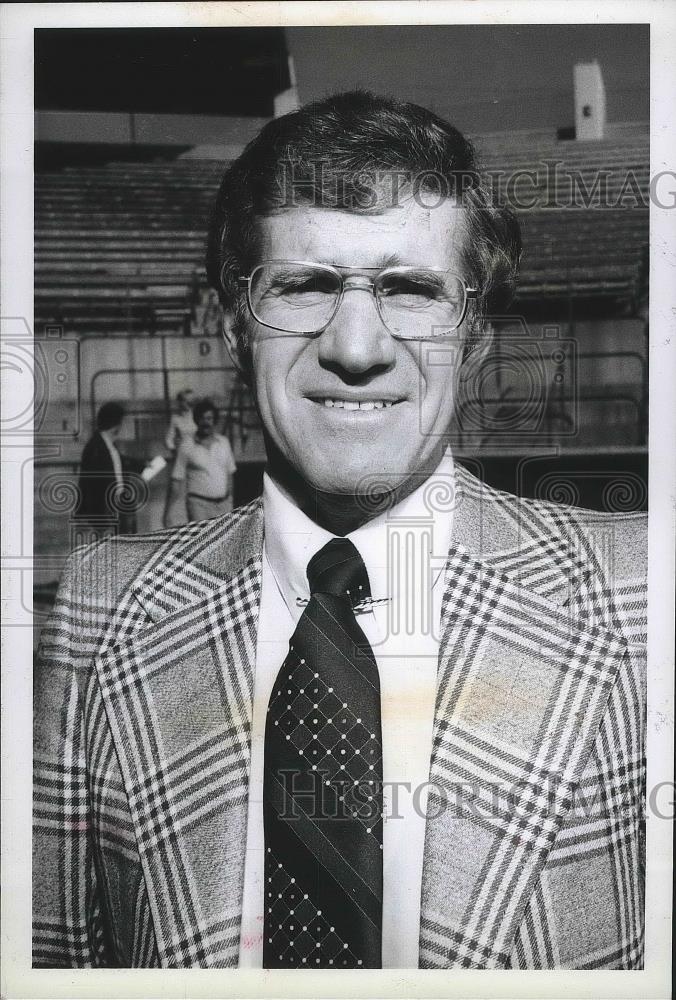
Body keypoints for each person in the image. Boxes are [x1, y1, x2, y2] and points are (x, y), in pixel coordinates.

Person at [34, 92, 646, 970]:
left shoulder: (640, 593)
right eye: (305, 285)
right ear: (234, 322)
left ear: (473, 334)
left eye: (410, 290)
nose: (356, 347)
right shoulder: (101, 611)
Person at [74, 401, 146, 536]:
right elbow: (90, 483)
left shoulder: (108, 445)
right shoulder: (96, 447)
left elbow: (119, 462)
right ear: (116, 424)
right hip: (105, 509)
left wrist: (142, 466)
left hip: (116, 506)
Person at [163, 397, 237, 524]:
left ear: (214, 421)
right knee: (203, 543)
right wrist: (167, 512)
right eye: (202, 418)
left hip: (224, 505)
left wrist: (230, 500)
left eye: (209, 418)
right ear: (196, 420)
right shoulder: (186, 445)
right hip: (198, 506)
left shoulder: (224, 442)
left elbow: (230, 473)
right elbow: (176, 480)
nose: (205, 423)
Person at [164, 387, 195, 456]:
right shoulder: (175, 418)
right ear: (179, 402)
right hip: (182, 453)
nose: (189, 403)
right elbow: (169, 439)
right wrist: (174, 452)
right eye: (185, 400)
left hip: (198, 452)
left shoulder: (198, 416)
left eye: (191, 400)